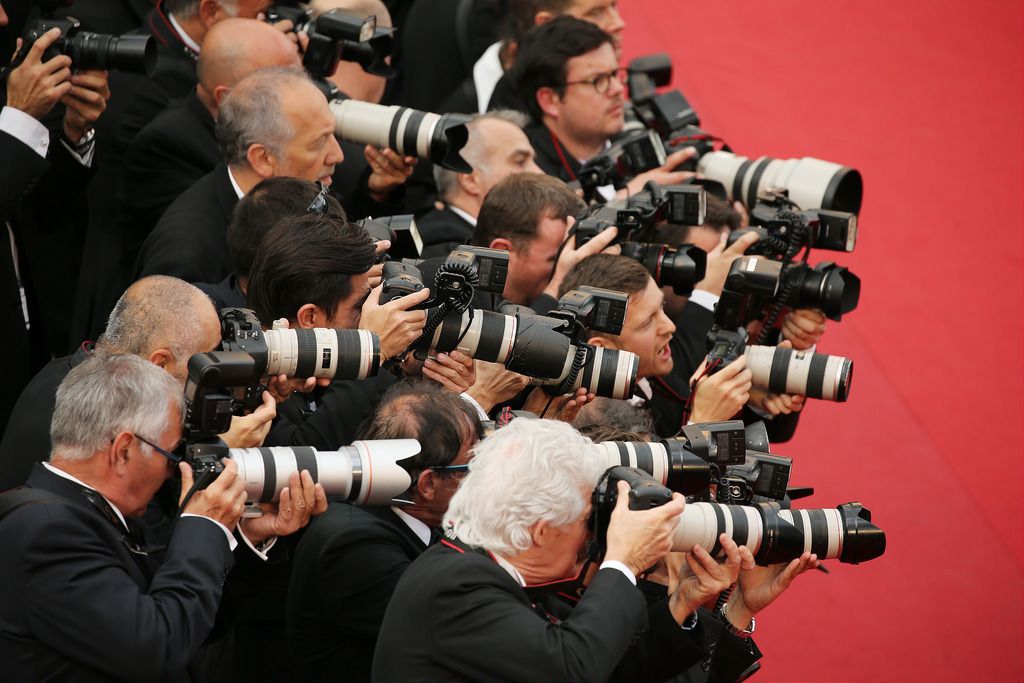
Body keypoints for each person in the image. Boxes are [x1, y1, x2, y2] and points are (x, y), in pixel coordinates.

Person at [372, 418, 759, 681]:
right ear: (541, 531)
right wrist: (622, 561)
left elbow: (603, 668)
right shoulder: (453, 587)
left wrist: (682, 604)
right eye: (586, 518)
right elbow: (574, 669)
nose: (593, 534)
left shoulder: (484, 570)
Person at [0, 354, 248, 680]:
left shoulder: (89, 512)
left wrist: (231, 535)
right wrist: (204, 526)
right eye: (171, 455)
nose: (174, 470)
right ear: (124, 451)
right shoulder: (46, 534)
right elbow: (158, 646)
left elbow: (188, 619)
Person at [0, 276, 274, 491]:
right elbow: (157, 543)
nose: (215, 369)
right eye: (206, 360)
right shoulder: (102, 432)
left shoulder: (79, 371)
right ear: (159, 365)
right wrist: (217, 451)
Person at [287, 380, 482, 679]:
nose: (483, 477)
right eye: (471, 468)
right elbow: (464, 633)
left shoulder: (413, 514)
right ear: (428, 483)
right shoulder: (355, 544)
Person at [246, 211, 473, 448]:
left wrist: (431, 386)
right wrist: (374, 349)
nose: (371, 314)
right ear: (310, 317)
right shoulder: (250, 383)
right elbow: (309, 457)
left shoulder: (328, 366)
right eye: (360, 305)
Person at [1, 11, 112, 427]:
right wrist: (21, 117)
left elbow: (32, 207)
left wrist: (74, 132)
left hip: (24, 344)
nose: (4, 16)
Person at [133, 66, 344, 283]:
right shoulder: (188, 256)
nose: (337, 155)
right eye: (318, 143)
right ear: (262, 158)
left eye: (333, 135)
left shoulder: (309, 189)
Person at [510, 16, 690, 198]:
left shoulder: (639, 134)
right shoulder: (528, 177)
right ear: (550, 100)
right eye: (598, 80)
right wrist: (627, 202)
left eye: (614, 74)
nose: (618, 89)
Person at [468, 172, 619, 312]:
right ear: (503, 252)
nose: (572, 266)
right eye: (557, 258)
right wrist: (559, 284)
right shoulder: (457, 301)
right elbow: (518, 340)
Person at [421, 110, 541, 257]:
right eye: (520, 161)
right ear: (470, 180)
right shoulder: (444, 247)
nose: (539, 173)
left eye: (533, 161)